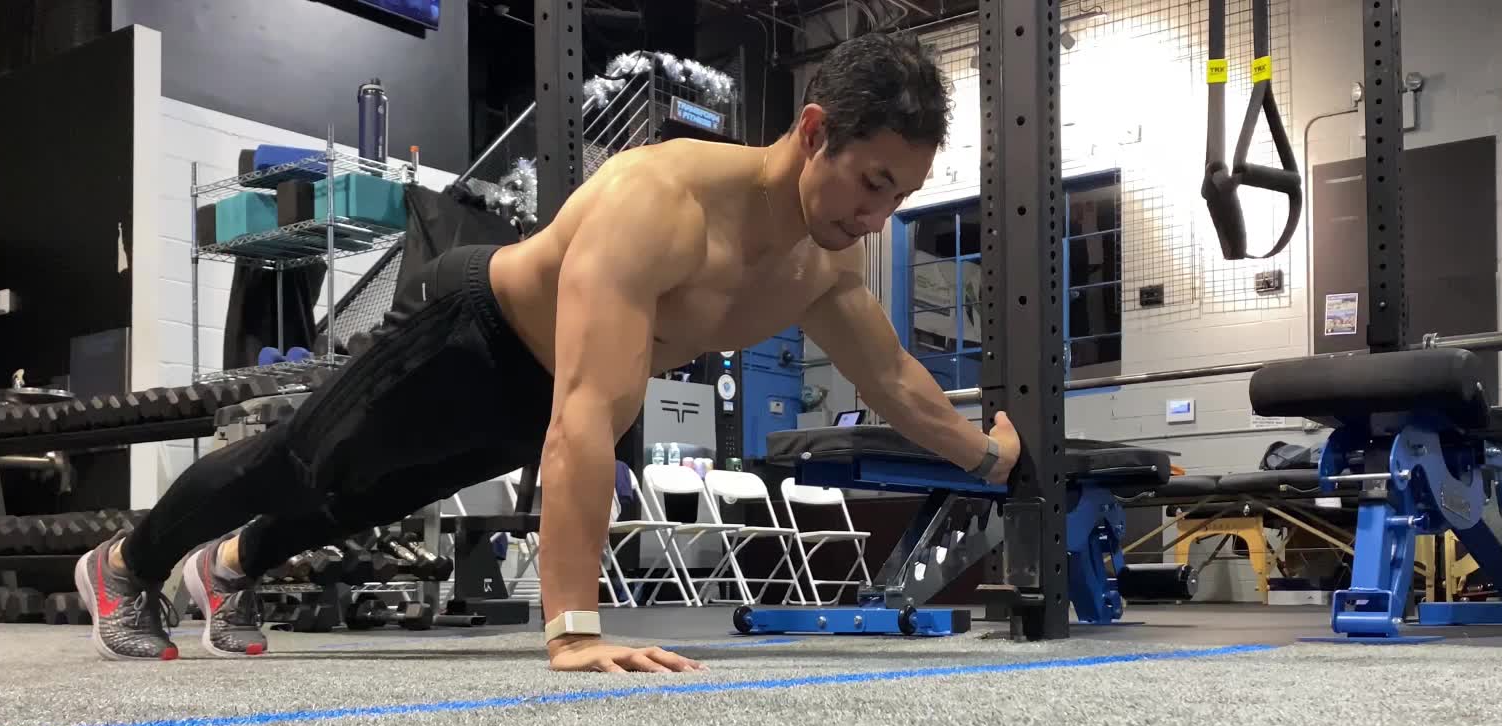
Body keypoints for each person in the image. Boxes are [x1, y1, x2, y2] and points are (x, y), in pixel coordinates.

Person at [75, 31, 1022, 673]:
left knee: (370, 497)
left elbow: (895, 380)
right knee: (306, 463)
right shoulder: (659, 203)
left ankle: (229, 565)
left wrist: (988, 457)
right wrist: (572, 630)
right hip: (476, 330)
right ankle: (126, 563)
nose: (875, 214)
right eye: (870, 182)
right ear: (814, 134)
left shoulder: (826, 262)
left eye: (897, 197)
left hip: (537, 385)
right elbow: (583, 415)